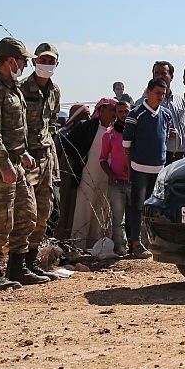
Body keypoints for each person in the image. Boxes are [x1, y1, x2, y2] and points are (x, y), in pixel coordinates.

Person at [0, 37, 46, 291]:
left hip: (16, 163)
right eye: (23, 60)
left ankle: (18, 268)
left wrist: (23, 154)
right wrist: (5, 164)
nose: (26, 65)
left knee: (27, 215)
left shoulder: (12, 87)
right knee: (0, 221)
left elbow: (14, 129)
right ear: (9, 61)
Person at [19, 43, 64, 280]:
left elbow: (52, 120)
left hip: (45, 157)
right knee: (25, 211)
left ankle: (30, 261)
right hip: (25, 156)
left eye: (51, 61)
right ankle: (16, 263)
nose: (46, 65)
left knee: (43, 211)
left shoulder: (54, 91)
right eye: (42, 60)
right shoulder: (21, 89)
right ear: (35, 61)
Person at [123, 78, 174, 258]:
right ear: (148, 92)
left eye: (163, 93)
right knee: (137, 205)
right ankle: (135, 242)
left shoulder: (166, 115)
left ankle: (153, 241)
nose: (161, 97)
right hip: (139, 167)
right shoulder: (136, 114)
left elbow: (165, 138)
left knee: (155, 207)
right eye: (157, 93)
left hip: (158, 167)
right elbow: (127, 145)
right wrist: (129, 167)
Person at [70, 98, 117, 250]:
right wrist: (79, 159)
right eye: (111, 109)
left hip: (108, 175)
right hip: (88, 172)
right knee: (83, 208)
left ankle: (95, 245)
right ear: (101, 110)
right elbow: (68, 142)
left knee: (102, 209)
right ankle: (78, 244)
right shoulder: (88, 127)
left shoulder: (115, 129)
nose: (113, 113)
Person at [100, 101, 131, 255]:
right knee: (118, 219)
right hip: (117, 182)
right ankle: (120, 247)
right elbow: (103, 159)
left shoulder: (137, 132)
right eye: (120, 112)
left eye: (126, 111)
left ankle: (137, 245)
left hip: (134, 181)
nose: (123, 114)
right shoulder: (109, 134)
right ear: (116, 113)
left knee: (136, 215)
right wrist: (111, 176)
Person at [54, 103, 89, 241]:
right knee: (67, 204)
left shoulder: (88, 132)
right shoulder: (63, 134)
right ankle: (64, 236)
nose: (87, 118)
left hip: (83, 174)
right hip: (67, 172)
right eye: (84, 115)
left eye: (88, 114)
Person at [151, 61, 185, 164]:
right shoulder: (147, 102)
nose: (160, 76)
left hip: (180, 157)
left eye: (163, 73)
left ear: (171, 76)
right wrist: (163, 133)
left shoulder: (180, 101)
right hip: (158, 156)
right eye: (157, 73)